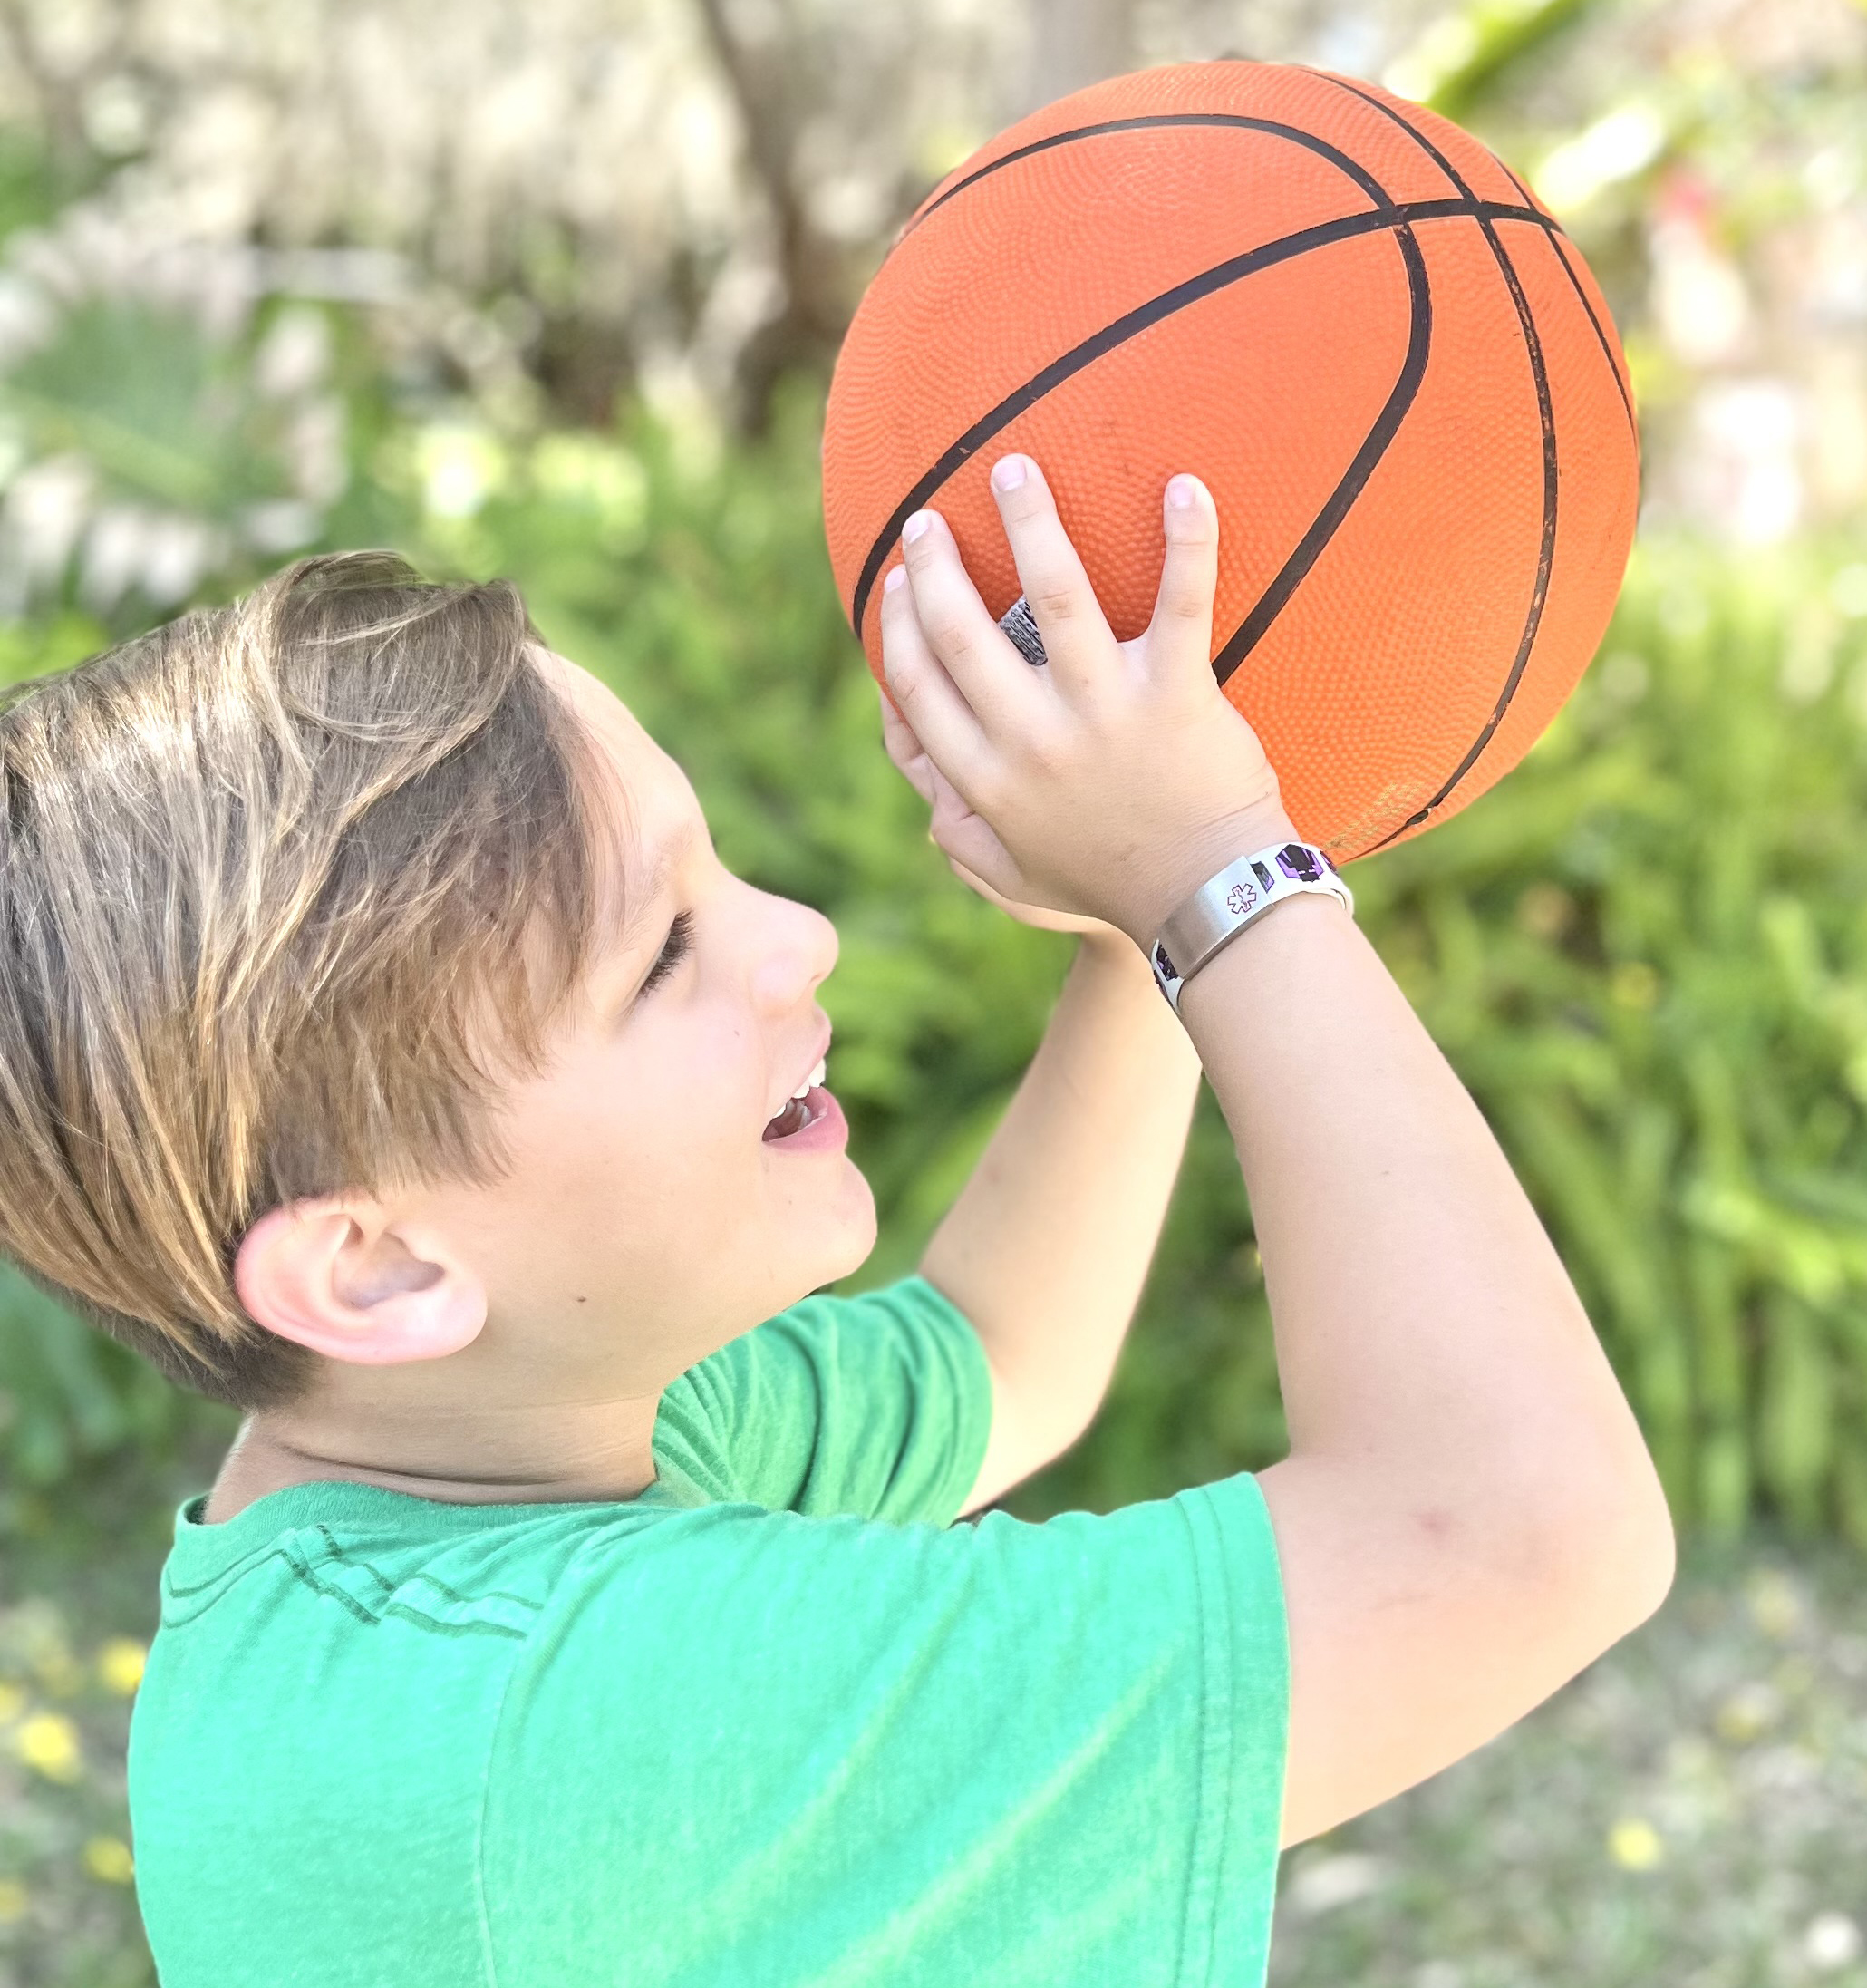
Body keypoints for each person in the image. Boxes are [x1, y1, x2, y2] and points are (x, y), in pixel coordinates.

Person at [0, 458, 1673, 1986]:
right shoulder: (582, 1714)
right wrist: (1227, 877)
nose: (793, 935)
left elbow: (1004, 1357)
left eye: (713, 868)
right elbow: (1522, 1530)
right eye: (659, 952)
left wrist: (1125, 936)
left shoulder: (480, 1476)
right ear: (377, 1263)